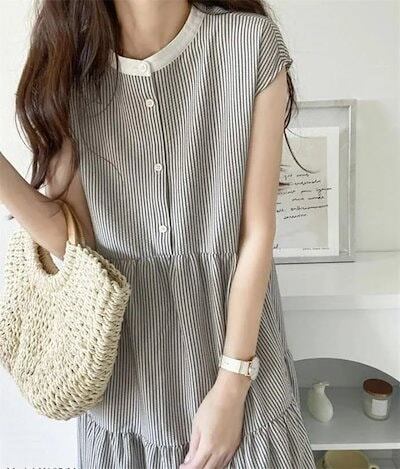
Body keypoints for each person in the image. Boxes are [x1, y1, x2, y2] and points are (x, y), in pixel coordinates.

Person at [0, 0, 317, 467]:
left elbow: (256, 236)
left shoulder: (250, 45)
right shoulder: (70, 65)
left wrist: (232, 385)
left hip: (239, 367)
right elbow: (76, 243)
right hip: (131, 388)